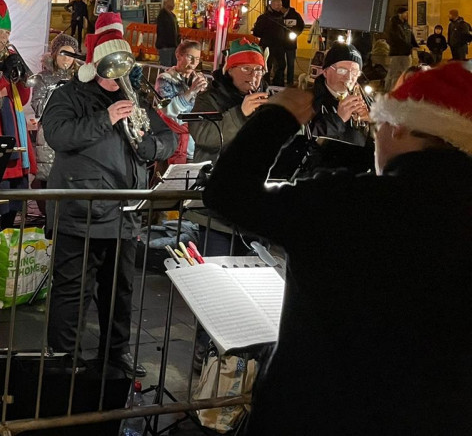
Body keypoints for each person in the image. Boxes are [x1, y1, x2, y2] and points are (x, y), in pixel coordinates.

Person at [202, 63, 472, 435]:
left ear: (398, 126)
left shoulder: (349, 201)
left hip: (320, 412)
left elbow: (228, 194)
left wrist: (277, 118)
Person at [43, 18, 176, 377]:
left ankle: (115, 356)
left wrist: (152, 145)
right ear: (95, 64)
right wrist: (105, 119)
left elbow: (169, 137)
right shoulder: (67, 95)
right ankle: (63, 358)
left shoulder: (134, 96)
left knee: (120, 292)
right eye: (111, 63)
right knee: (73, 292)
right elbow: (58, 135)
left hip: (125, 210)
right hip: (81, 209)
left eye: (123, 64)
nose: (118, 72)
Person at [0, 0, 36, 229]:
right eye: (1, 32)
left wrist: (21, 77)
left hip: (15, 132)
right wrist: (1, 74)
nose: (5, 37)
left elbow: (21, 99)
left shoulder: (9, 54)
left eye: (7, 33)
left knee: (14, 204)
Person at [187, 39, 270, 163]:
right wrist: (240, 114)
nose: (253, 75)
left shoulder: (268, 98)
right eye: (246, 68)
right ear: (230, 70)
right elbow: (202, 136)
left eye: (258, 69)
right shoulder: (208, 98)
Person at [304, 43, 372, 174]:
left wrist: (372, 122)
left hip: (357, 172)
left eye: (355, 72)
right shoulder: (307, 100)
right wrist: (338, 119)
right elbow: (307, 143)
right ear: (325, 72)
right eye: (342, 70)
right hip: (321, 174)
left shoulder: (367, 101)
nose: (349, 77)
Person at [144, 39, 208, 163]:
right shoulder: (164, 79)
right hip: (170, 140)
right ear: (178, 56)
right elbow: (168, 109)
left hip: (193, 140)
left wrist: (204, 93)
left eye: (197, 59)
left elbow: (204, 108)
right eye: (190, 57)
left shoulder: (196, 78)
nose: (194, 63)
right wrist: (191, 91)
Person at [31, 32, 81, 189]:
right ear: (54, 55)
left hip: (74, 133)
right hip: (49, 136)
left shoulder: (80, 79)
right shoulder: (43, 78)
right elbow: (38, 107)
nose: (66, 59)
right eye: (62, 53)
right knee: (49, 179)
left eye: (70, 54)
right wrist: (56, 95)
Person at [251, 0, 286, 83]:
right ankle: (265, 82)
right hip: (268, 44)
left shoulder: (282, 17)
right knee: (267, 64)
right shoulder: (264, 17)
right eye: (277, 5)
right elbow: (257, 31)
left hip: (280, 45)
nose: (279, 7)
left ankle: (278, 82)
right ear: (272, 5)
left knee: (281, 65)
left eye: (280, 5)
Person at [385, 6, 418, 90]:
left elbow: (411, 36)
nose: (407, 14)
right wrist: (409, 46)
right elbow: (397, 39)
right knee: (393, 73)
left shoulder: (406, 25)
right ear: (400, 14)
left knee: (406, 73)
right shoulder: (394, 25)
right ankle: (390, 91)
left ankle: (403, 90)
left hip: (406, 53)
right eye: (405, 13)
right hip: (397, 53)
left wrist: (415, 45)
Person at [155, 0, 181, 67]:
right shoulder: (162, 15)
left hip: (173, 45)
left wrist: (178, 38)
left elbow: (176, 29)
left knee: (174, 66)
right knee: (166, 66)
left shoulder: (172, 15)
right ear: (166, 3)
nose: (174, 5)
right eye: (172, 2)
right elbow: (163, 31)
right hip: (165, 46)